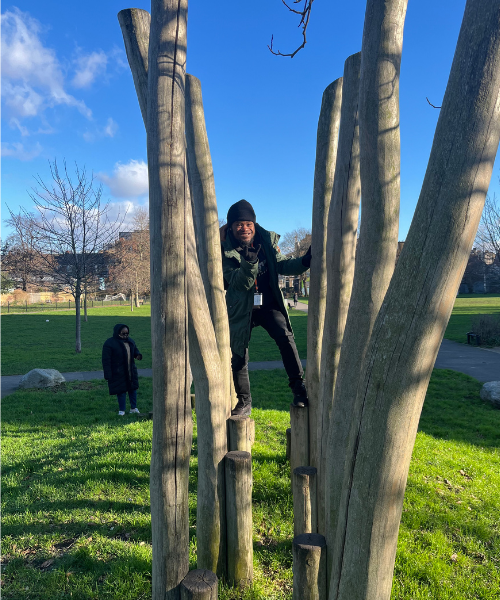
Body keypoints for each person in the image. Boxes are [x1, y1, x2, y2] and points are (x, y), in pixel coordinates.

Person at [221, 199, 311, 416]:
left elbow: (282, 264)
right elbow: (240, 283)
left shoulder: (266, 242)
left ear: (254, 224)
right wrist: (249, 265)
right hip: (242, 308)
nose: (244, 228)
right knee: (239, 353)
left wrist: (305, 261)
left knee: (285, 338)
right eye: (239, 224)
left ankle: (299, 390)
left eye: (248, 223)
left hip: (269, 304)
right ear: (231, 227)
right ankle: (244, 401)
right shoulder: (223, 251)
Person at [102, 323, 143, 416]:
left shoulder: (130, 341)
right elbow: (106, 360)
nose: (125, 335)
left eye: (127, 333)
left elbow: (134, 350)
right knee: (121, 390)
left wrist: (137, 355)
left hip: (130, 370)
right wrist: (108, 373)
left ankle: (134, 408)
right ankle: (122, 410)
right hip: (118, 371)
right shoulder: (110, 343)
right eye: (123, 333)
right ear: (117, 332)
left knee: (133, 389)